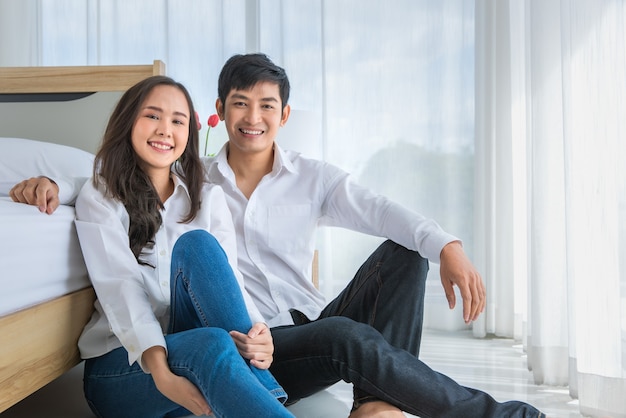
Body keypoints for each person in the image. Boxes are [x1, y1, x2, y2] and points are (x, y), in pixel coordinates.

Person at [11, 55, 544, 418]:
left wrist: (447, 243)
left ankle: (376, 405)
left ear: (283, 115)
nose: (254, 117)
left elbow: (379, 209)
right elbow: (107, 184)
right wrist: (53, 181)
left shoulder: (267, 183)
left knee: (406, 254)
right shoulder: (192, 177)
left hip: (277, 330)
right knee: (336, 335)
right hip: (239, 342)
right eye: (240, 103)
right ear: (219, 117)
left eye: (267, 105)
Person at [67, 75, 293, 418]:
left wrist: (259, 331)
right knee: (212, 345)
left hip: (191, 355)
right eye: (153, 116)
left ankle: (259, 386)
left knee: (198, 246)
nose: (164, 129)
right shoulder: (101, 196)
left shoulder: (208, 197)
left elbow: (229, 279)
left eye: (177, 120)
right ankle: (266, 394)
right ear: (129, 121)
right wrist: (161, 374)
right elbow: (121, 290)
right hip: (124, 370)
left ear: (189, 134)